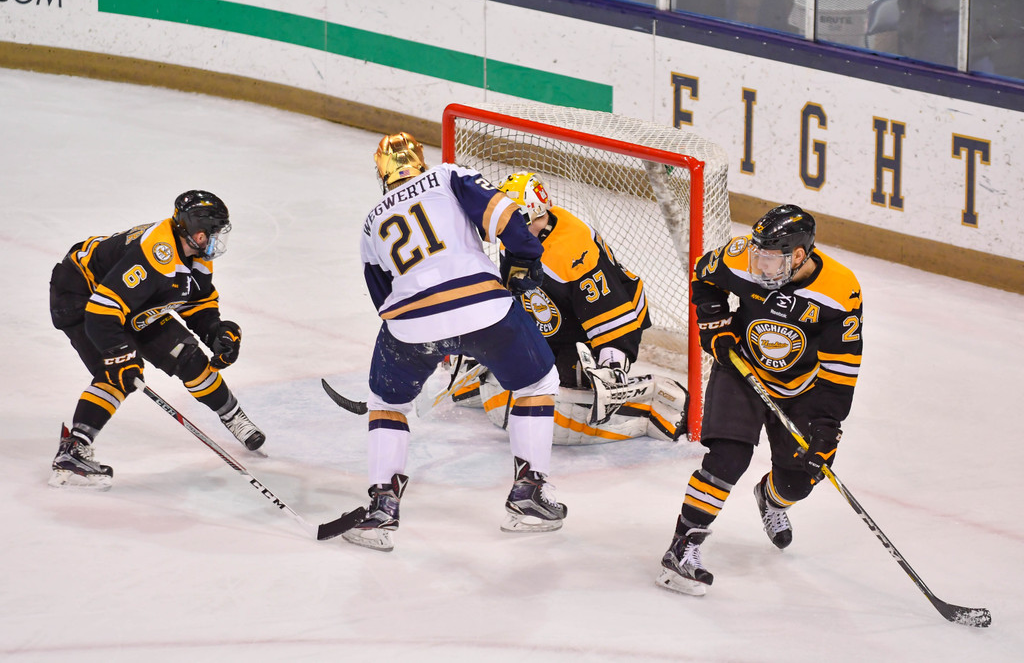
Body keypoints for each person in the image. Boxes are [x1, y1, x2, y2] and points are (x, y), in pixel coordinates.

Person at [338, 133, 566, 552]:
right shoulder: (447, 175)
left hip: (409, 326)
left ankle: (382, 508)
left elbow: (381, 296)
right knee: (537, 383)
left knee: (386, 402)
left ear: (382, 173)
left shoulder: (371, 221)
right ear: (419, 161)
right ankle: (528, 496)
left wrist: (425, 332)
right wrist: (524, 259)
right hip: (484, 309)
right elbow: (507, 218)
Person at [656, 204, 863, 596]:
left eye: (770, 260)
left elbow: (842, 369)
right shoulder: (741, 257)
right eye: (758, 255)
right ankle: (681, 550)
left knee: (798, 483)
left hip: (801, 389)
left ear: (799, 256)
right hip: (742, 369)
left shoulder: (840, 290)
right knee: (727, 459)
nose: (759, 266)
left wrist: (826, 427)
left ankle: (770, 499)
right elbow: (704, 276)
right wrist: (715, 326)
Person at [48, 190, 267, 490]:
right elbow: (101, 313)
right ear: (192, 230)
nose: (215, 240)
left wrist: (216, 333)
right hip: (80, 295)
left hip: (128, 301)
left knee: (189, 358)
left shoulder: (196, 254)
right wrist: (119, 353)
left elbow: (198, 303)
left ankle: (233, 417)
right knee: (120, 373)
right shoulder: (156, 252)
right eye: (210, 233)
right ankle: (73, 450)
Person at [449, 171, 687, 444]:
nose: (506, 231)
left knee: (564, 386)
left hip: (610, 320)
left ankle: (645, 410)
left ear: (535, 216)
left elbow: (612, 313)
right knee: (523, 370)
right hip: (557, 319)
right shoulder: (516, 237)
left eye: (512, 223)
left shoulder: (572, 250)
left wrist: (611, 368)